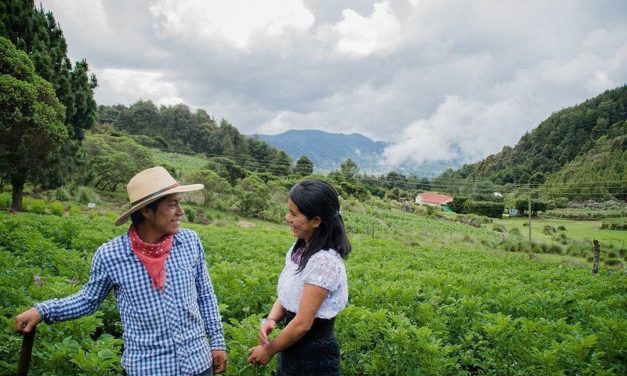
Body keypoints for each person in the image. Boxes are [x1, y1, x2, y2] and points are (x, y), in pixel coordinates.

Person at [15, 166, 227, 376]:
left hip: (198, 364)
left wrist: (217, 342)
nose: (181, 211)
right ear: (146, 211)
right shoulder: (112, 255)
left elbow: (205, 295)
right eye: (172, 204)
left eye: (179, 203)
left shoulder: (189, 242)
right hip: (148, 368)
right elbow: (88, 300)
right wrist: (43, 310)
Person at [248, 179, 351, 375]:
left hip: (314, 355)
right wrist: (272, 318)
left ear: (316, 221)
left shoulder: (323, 262)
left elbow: (303, 323)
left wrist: (269, 350)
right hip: (292, 347)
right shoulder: (302, 248)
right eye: (288, 211)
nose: (288, 218)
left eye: (294, 214)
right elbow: (291, 292)